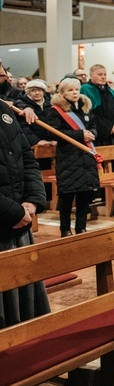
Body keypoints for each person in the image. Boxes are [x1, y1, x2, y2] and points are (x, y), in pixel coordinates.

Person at [0, 98, 50, 330]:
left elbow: (27, 159)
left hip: (20, 222)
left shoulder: (4, 109)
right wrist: (13, 211)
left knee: (26, 306)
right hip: (6, 220)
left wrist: (33, 200)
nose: (6, 79)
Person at [47, 76, 100, 236]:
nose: (75, 92)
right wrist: (80, 134)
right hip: (69, 157)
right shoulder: (56, 110)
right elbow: (53, 132)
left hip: (86, 156)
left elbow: (92, 126)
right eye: (70, 90)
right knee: (67, 196)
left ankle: (81, 228)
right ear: (62, 93)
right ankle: (65, 229)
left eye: (76, 89)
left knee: (85, 194)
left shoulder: (85, 106)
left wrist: (92, 134)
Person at [80, 64, 114, 146]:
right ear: (91, 75)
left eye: (105, 74)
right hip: (98, 134)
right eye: (100, 74)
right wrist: (108, 127)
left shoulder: (110, 90)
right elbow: (89, 114)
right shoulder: (85, 89)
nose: (103, 77)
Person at [14, 79, 53, 148]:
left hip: (53, 143)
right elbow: (23, 127)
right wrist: (36, 141)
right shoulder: (23, 106)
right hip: (34, 146)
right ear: (28, 93)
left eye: (40, 90)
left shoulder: (51, 103)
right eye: (33, 90)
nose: (37, 93)